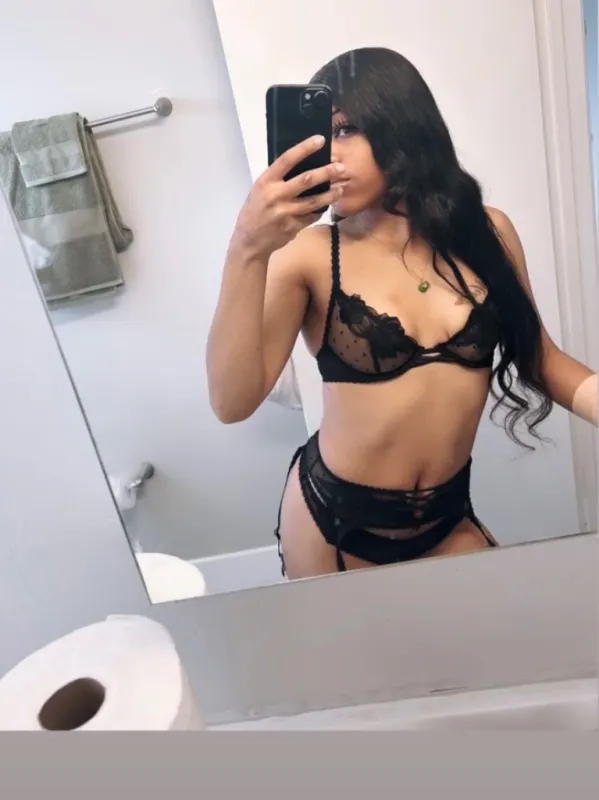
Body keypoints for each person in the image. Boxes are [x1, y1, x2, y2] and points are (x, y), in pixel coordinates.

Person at [206, 47, 597, 580]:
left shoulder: (488, 233)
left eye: (346, 129)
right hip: (331, 527)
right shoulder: (311, 256)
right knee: (354, 641)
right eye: (323, 133)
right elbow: (231, 402)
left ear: (401, 124)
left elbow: (541, 359)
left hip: (446, 520)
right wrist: (246, 248)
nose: (328, 154)